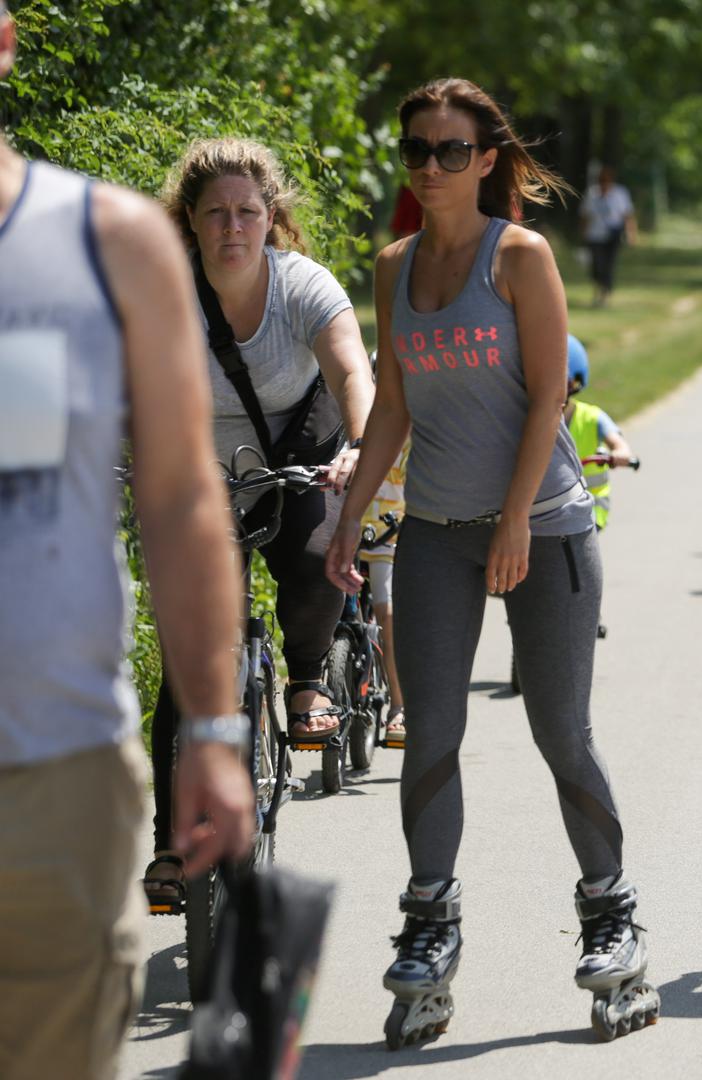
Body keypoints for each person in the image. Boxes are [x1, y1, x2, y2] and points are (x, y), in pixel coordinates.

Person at [325, 77, 659, 1048]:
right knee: (427, 728)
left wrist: (517, 516)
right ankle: (429, 927)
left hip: (543, 525)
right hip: (434, 527)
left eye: (451, 150)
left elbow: (550, 391)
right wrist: (352, 517)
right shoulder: (392, 267)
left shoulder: (519, 256)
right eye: (416, 150)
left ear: (487, 159)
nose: (431, 167)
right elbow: (392, 399)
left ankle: (610, 916)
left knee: (560, 728)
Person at [0, 4, 252, 1074]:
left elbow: (184, 500)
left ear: (4, 40)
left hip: (49, 768)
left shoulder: (107, 243)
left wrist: (215, 730)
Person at [142, 137, 374, 909]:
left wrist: (362, 446)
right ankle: (172, 847)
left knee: (315, 554)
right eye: (216, 214)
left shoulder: (301, 285)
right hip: (201, 467)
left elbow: (350, 370)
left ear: (270, 217)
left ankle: (307, 682)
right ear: (190, 221)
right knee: (188, 664)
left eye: (248, 212)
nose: (232, 228)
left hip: (298, 450)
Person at [358, 434, 410, 745]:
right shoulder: (345, 426)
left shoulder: (407, 433)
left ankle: (399, 707)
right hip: (348, 535)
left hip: (388, 540)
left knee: (387, 613)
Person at [565, 333, 636, 531]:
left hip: (590, 505)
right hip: (552, 507)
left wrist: (620, 453)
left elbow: (617, 441)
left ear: (574, 383)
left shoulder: (591, 416)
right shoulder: (531, 419)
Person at [581, 163, 636, 308]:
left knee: (609, 265)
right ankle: (598, 289)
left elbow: (627, 215)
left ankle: (605, 294)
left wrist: (630, 233)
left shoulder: (620, 193)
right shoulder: (592, 194)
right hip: (595, 235)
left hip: (613, 235)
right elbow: (585, 216)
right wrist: (584, 234)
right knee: (597, 265)